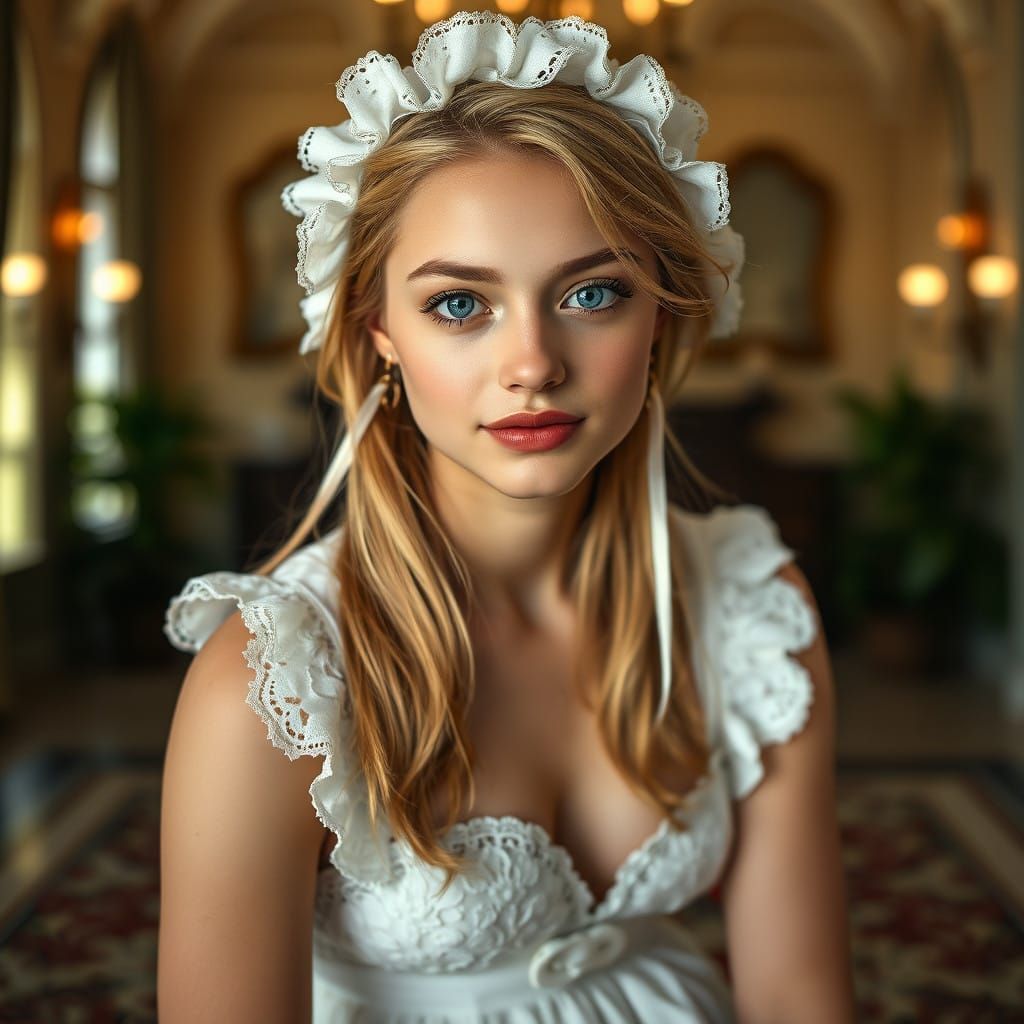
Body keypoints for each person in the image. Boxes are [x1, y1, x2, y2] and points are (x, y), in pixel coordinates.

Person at [158, 11, 854, 1022]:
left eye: (592, 292)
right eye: (457, 304)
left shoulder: (750, 606)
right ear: (378, 329)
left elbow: (799, 996)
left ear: (659, 316)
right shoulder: (274, 683)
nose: (531, 363)